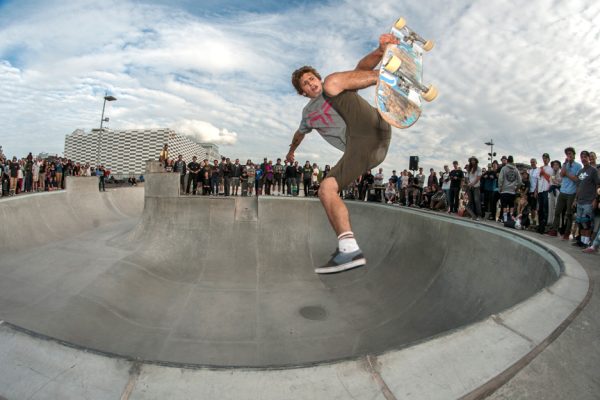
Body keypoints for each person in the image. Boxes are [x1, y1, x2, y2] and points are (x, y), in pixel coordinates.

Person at [285, 33, 399, 273]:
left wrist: (380, 52)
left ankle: (388, 78)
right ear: (302, 92)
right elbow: (299, 134)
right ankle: (349, 249)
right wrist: (291, 152)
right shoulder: (307, 114)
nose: (311, 84)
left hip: (373, 127)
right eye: (305, 84)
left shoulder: (333, 87)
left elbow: (359, 70)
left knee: (334, 83)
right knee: (326, 189)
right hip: (364, 152)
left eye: (311, 78)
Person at [547, 147, 582, 239]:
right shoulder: (565, 164)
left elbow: (577, 179)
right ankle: (554, 230)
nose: (569, 155)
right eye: (567, 154)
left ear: (574, 155)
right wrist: (565, 163)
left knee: (569, 214)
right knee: (557, 211)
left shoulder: (578, 166)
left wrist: (567, 174)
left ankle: (566, 233)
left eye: (570, 154)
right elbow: (562, 174)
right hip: (563, 191)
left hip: (572, 193)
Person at [573, 151, 600, 247]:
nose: (583, 158)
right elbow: (578, 186)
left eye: (585, 157)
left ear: (588, 158)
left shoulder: (593, 170)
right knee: (580, 222)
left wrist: (595, 200)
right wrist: (575, 199)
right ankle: (581, 241)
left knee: (587, 223)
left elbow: (598, 184)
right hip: (580, 201)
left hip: (589, 201)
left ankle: (587, 242)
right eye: (582, 157)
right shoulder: (580, 171)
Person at [498, 155, 522, 222]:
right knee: (511, 206)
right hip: (512, 191)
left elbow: (500, 179)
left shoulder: (504, 168)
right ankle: (510, 219)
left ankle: (505, 220)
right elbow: (520, 181)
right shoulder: (516, 169)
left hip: (504, 191)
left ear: (507, 161)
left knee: (504, 206)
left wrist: (500, 187)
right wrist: (516, 188)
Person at [536, 153, 553, 233]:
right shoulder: (540, 168)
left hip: (546, 190)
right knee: (540, 209)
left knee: (545, 209)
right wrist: (536, 190)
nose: (545, 159)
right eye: (543, 158)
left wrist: (543, 173)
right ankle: (540, 225)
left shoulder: (551, 169)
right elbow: (538, 179)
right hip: (540, 190)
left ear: (549, 159)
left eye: (546, 158)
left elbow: (551, 179)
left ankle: (544, 226)